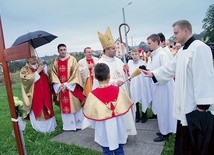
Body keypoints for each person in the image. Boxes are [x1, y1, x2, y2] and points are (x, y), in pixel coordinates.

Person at [142, 20, 214, 154]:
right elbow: (171, 68)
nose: (173, 36)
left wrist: (202, 105)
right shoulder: (182, 50)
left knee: (198, 143)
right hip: (185, 104)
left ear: (185, 31)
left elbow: (205, 76)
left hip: (196, 106)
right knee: (185, 140)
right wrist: (153, 73)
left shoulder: (200, 48)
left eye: (176, 33)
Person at [83, 63, 133, 155]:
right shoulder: (118, 90)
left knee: (107, 151)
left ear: (96, 78)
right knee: (120, 150)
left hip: (103, 128)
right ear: (109, 76)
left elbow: (90, 116)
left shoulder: (92, 95)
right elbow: (125, 108)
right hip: (118, 127)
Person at [94, 27, 136, 135]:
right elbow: (100, 81)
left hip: (122, 92)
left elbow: (123, 74)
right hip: (111, 96)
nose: (115, 50)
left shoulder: (118, 60)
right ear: (106, 50)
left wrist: (125, 70)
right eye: (112, 48)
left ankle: (125, 133)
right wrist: (114, 83)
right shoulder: (100, 63)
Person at [146, 34, 177, 142]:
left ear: (156, 42)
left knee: (165, 109)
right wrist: (147, 70)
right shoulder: (156, 54)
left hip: (165, 86)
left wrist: (153, 73)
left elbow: (168, 69)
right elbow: (155, 68)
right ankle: (164, 129)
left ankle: (166, 132)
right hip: (159, 86)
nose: (148, 45)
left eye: (149, 43)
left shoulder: (163, 53)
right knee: (161, 108)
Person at [51, 44, 85, 131]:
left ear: (66, 50)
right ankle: (68, 126)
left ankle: (78, 125)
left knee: (75, 105)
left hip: (71, 87)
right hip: (61, 88)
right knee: (65, 107)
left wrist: (67, 84)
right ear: (58, 51)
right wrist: (59, 85)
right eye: (61, 50)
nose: (63, 51)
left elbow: (75, 73)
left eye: (64, 49)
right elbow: (53, 74)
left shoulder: (72, 59)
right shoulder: (55, 61)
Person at [20, 54, 56, 133]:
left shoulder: (40, 66)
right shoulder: (24, 69)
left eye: (35, 57)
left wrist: (43, 67)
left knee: (47, 107)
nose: (35, 58)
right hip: (35, 95)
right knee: (38, 108)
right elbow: (25, 81)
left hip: (46, 93)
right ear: (27, 59)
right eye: (32, 57)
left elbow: (49, 77)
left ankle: (51, 127)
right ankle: (40, 129)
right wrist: (37, 71)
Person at [128, 49, 152, 123]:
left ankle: (144, 114)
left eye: (136, 54)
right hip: (134, 84)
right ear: (131, 55)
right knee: (135, 99)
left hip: (141, 84)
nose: (134, 56)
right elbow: (128, 72)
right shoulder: (129, 63)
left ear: (139, 55)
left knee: (143, 97)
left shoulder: (143, 63)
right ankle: (137, 114)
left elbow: (146, 71)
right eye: (133, 54)